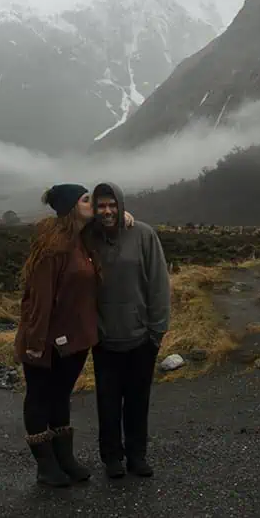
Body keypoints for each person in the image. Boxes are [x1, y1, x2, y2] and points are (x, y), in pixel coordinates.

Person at [13, 184, 105, 487]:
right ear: (70, 208)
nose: (91, 203)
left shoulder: (84, 241)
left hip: (76, 340)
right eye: (85, 199)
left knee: (60, 397)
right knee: (39, 397)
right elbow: (39, 299)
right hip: (47, 341)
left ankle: (65, 459)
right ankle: (45, 465)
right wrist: (36, 343)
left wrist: (127, 216)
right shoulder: (53, 247)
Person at [84, 181, 171, 478]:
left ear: (120, 205)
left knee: (137, 400)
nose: (107, 211)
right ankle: (112, 458)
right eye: (101, 205)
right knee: (107, 402)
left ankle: (137, 455)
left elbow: (159, 286)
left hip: (141, 338)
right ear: (94, 209)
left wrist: (157, 332)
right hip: (105, 338)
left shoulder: (144, 235)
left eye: (112, 205)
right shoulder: (88, 239)